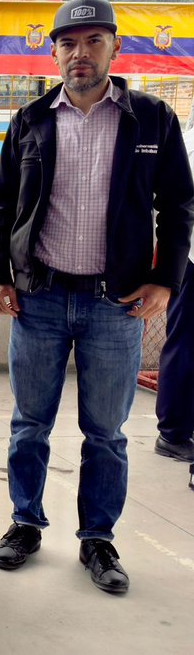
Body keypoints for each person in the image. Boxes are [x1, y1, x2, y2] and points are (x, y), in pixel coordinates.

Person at [0, 0, 194, 594]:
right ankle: (25, 522)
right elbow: (3, 204)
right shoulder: (30, 120)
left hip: (116, 304)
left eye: (93, 41)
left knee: (107, 432)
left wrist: (166, 280)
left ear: (114, 48)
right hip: (40, 300)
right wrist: (0, 274)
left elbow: (177, 204)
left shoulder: (151, 119)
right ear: (54, 52)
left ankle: (97, 539)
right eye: (68, 43)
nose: (80, 54)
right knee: (30, 424)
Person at [154, 115, 194, 464]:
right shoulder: (188, 142)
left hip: (186, 257)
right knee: (184, 341)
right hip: (190, 260)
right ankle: (174, 431)